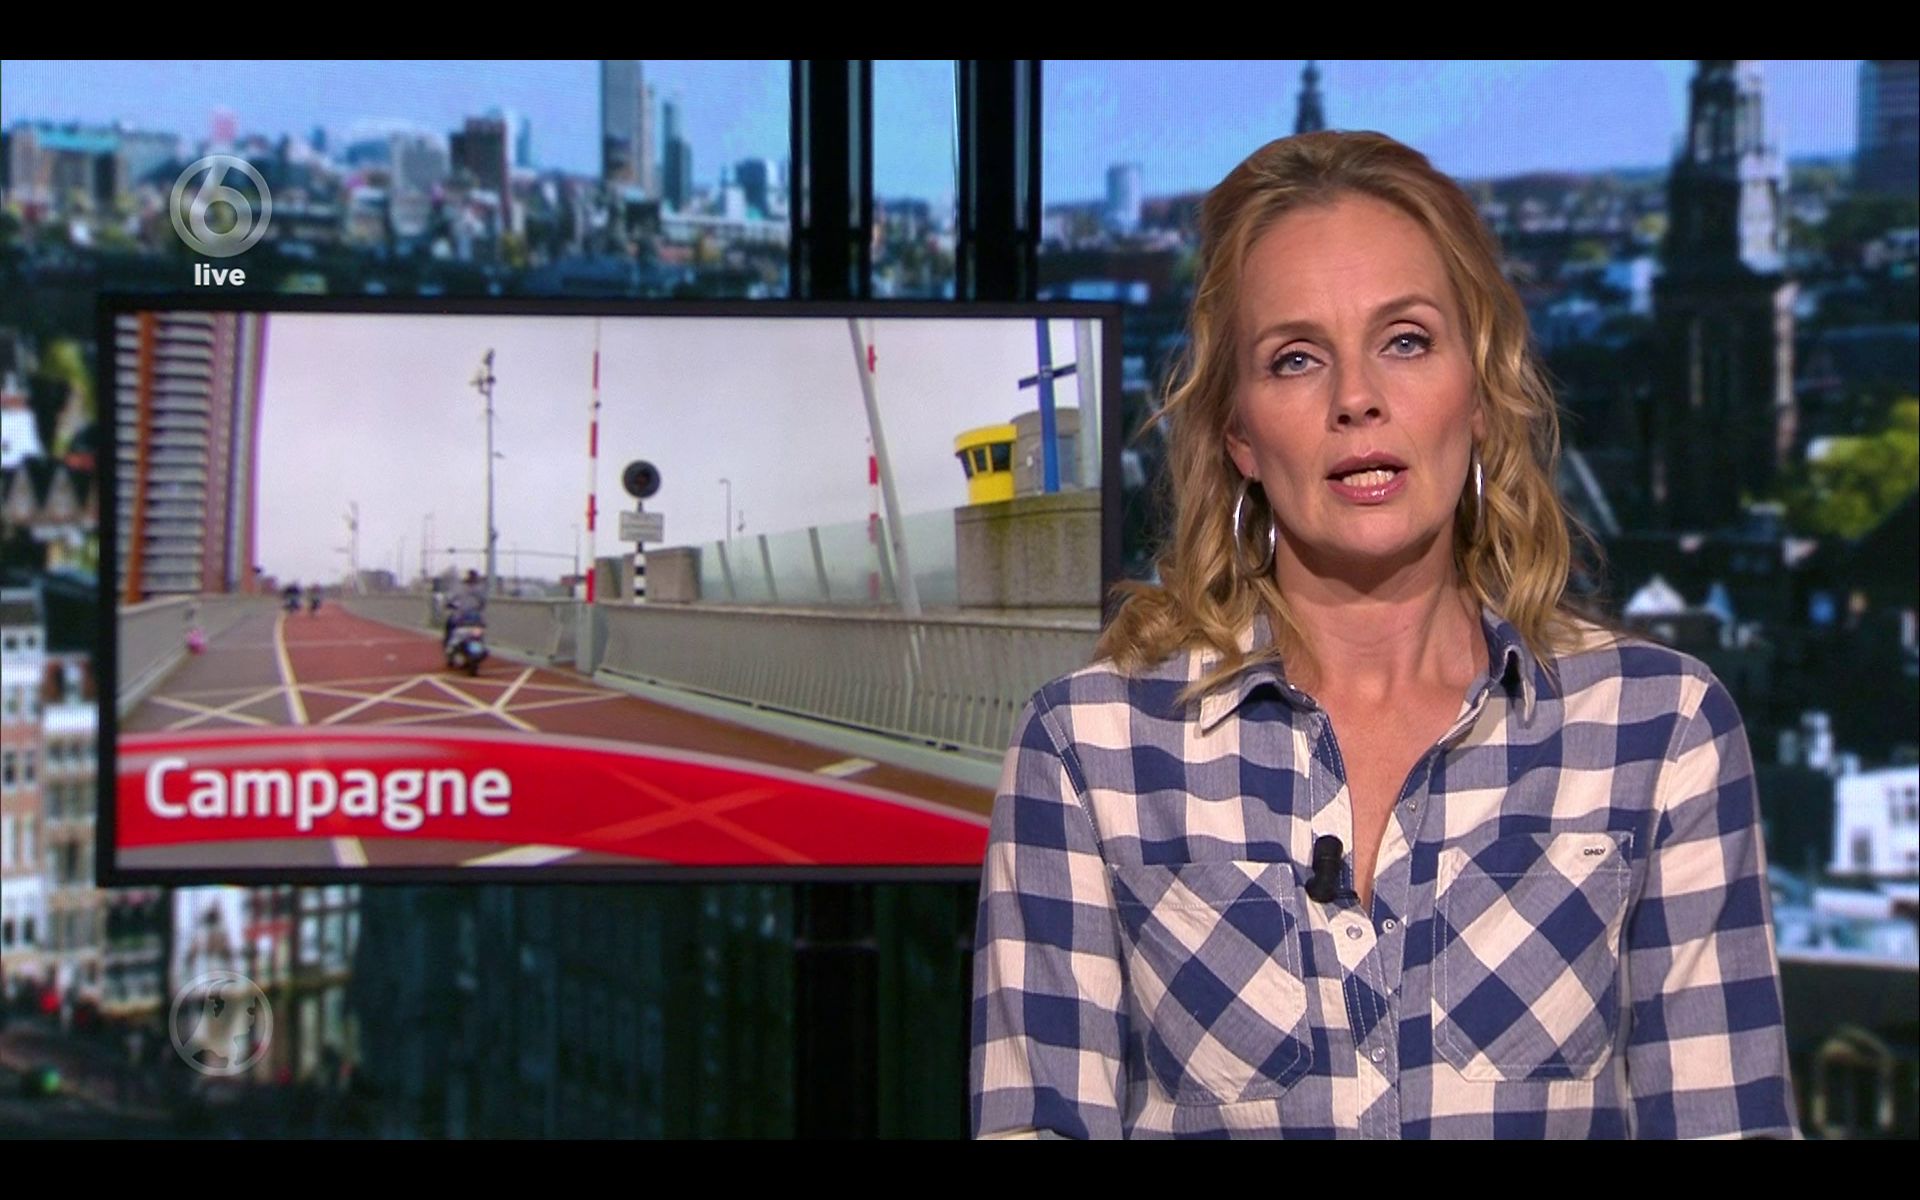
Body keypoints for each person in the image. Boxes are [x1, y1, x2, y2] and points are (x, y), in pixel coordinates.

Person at [970, 131, 1798, 1140]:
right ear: (1238, 433)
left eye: (1405, 342)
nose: (1356, 399)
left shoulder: (1659, 731)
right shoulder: (1088, 749)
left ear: (1480, 393)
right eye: (1295, 359)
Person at [443, 569, 487, 648]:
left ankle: (448, 643)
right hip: (471, 614)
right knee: (479, 625)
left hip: (463, 614)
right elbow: (483, 601)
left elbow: (451, 598)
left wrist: (449, 604)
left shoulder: (463, 588)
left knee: (451, 622)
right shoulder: (479, 588)